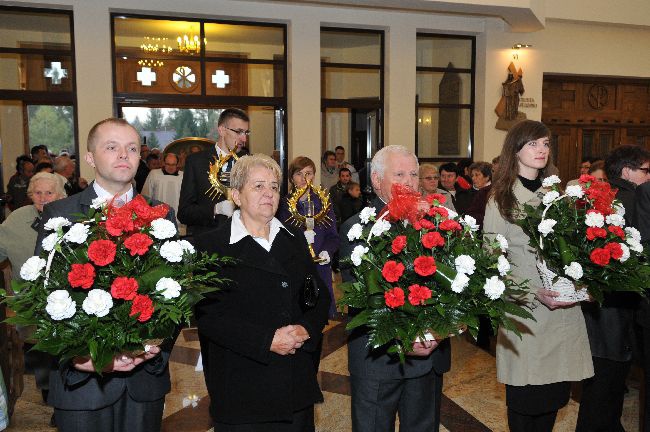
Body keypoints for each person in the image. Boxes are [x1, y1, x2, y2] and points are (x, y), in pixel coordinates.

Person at [36, 118, 175, 432]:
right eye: (111, 147)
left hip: (144, 380)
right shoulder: (60, 215)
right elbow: (44, 298)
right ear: (89, 157)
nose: (123, 155)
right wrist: (78, 355)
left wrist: (153, 348)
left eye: (131, 148)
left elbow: (176, 291)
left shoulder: (161, 214)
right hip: (82, 381)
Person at [194, 154, 329, 431]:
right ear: (236, 195)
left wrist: (306, 329)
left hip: (294, 385)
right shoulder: (210, 247)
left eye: (274, 187)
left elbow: (318, 296)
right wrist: (266, 340)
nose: (269, 193)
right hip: (242, 388)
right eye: (258, 186)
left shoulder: (293, 239)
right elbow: (210, 317)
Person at [483, 120, 593, 432]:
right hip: (526, 313)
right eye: (533, 144)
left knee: (554, 400)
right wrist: (532, 293)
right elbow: (492, 265)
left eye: (545, 144)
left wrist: (587, 282)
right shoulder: (501, 198)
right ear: (515, 150)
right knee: (525, 403)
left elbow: (573, 250)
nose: (541, 150)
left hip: (562, 311)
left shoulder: (556, 194)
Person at [339, 145, 451, 432]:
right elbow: (363, 295)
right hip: (378, 358)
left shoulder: (437, 223)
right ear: (377, 181)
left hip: (428, 354)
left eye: (414, 173)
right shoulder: (358, 228)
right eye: (399, 174)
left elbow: (454, 287)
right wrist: (404, 336)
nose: (410, 182)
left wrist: (440, 328)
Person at [576, 145, 650, 432]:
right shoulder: (632, 199)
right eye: (645, 170)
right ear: (627, 171)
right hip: (619, 313)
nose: (648, 176)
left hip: (597, 309)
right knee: (606, 391)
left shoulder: (599, 197)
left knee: (600, 390)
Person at [0, 172, 67, 412]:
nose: (43, 198)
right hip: (31, 303)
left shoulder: (73, 217)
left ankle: (63, 395)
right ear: (30, 195)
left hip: (70, 298)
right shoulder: (17, 220)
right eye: (37, 193)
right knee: (39, 330)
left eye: (49, 193)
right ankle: (51, 393)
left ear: (61, 195)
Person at [277, 156, 339, 319]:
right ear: (291, 178)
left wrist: (327, 252)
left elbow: (333, 236)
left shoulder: (324, 204)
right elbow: (279, 239)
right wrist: (298, 238)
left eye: (309, 173)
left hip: (319, 269)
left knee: (318, 319)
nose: (304, 178)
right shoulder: (283, 205)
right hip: (295, 269)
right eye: (299, 173)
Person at [178, 108, 249, 239]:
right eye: (239, 132)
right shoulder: (197, 162)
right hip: (209, 242)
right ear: (222, 130)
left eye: (246, 132)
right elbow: (184, 213)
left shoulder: (250, 161)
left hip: (244, 241)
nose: (243, 138)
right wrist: (215, 209)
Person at [142, 153, 184, 232]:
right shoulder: (154, 174)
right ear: (163, 163)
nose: (171, 167)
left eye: (173, 164)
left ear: (177, 164)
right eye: (168, 164)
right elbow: (146, 195)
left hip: (178, 216)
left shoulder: (183, 176)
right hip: (158, 216)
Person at [465, 161, 492, 229]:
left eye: (477, 175)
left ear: (487, 177)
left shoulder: (492, 192)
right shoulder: (468, 192)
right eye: (472, 175)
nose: (473, 178)